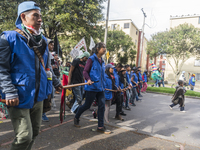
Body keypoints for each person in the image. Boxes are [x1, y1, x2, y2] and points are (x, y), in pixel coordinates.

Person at [0, 1, 63, 149]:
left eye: (40, 16)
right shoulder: (8, 38)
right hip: (18, 96)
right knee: (23, 137)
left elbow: (46, 69)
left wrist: (56, 82)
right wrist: (9, 91)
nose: (40, 19)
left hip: (39, 96)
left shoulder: (43, 42)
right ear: (23, 17)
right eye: (36, 16)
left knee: (34, 133)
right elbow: (1, 69)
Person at [74, 42, 111, 134]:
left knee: (102, 106)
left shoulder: (102, 61)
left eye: (105, 47)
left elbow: (103, 75)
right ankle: (76, 116)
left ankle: (100, 126)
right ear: (98, 49)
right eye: (103, 47)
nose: (104, 49)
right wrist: (88, 79)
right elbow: (85, 72)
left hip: (101, 88)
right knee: (87, 105)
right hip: (92, 87)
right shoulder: (91, 59)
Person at [42, 39, 61, 122]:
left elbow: (49, 69)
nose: (52, 46)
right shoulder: (42, 52)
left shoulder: (49, 54)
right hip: (41, 80)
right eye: (51, 45)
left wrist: (56, 83)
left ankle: (43, 113)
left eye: (53, 45)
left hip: (48, 80)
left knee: (47, 96)